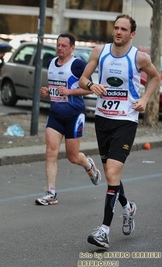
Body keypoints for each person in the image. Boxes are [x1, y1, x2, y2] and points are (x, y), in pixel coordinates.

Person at [79, 14, 160, 249]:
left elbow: (156, 77)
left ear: (132, 34)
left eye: (123, 29)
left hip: (126, 120)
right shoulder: (99, 52)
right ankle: (128, 207)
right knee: (111, 175)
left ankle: (104, 231)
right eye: (116, 28)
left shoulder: (139, 58)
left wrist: (145, 98)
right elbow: (83, 78)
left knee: (113, 172)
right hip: (103, 119)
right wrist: (92, 85)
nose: (118, 32)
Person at [35, 33, 102, 206]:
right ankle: (51, 193)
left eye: (64, 46)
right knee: (51, 151)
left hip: (74, 115)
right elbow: (57, 89)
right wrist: (49, 92)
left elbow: (91, 89)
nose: (60, 48)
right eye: (58, 45)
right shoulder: (51, 63)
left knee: (73, 157)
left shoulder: (78, 64)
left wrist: (70, 92)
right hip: (56, 114)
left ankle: (88, 165)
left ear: (72, 47)